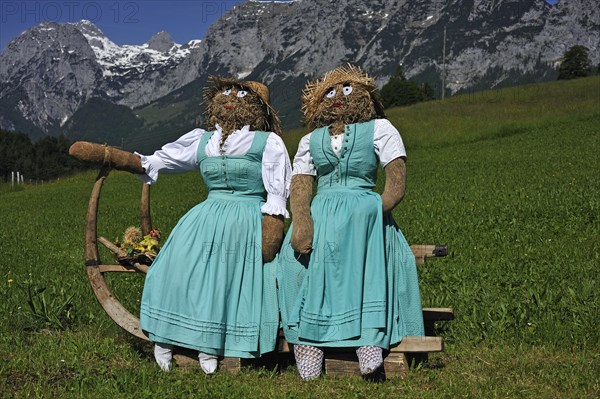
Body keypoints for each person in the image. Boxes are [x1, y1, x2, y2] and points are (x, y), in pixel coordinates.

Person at [277, 65, 425, 380]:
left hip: (365, 212)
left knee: (367, 264)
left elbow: (396, 179)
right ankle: (307, 341)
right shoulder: (310, 140)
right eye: (329, 93)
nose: (338, 98)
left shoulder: (381, 129)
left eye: (346, 90)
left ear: (363, 96)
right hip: (322, 212)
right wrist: (302, 220)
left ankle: (367, 339)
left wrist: (376, 208)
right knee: (291, 264)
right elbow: (301, 182)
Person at [136, 77, 291, 373]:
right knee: (176, 266)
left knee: (224, 275)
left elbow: (277, 191)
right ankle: (165, 335)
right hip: (203, 217)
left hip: (246, 218)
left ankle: (211, 343)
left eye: (242, 93)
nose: (232, 96)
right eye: (227, 92)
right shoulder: (203, 139)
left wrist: (271, 231)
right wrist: (137, 162)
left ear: (257, 107)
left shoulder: (267, 142)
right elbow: (163, 160)